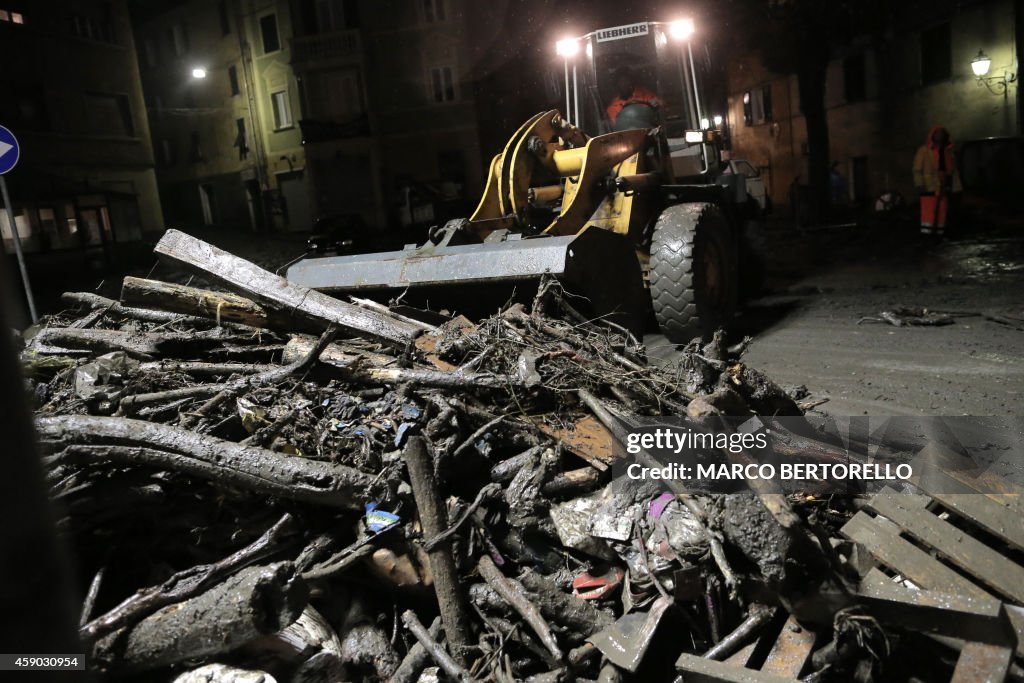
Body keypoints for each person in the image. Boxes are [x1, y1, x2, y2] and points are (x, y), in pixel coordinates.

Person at [913, 125, 962, 236]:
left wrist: (954, 186)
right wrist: (920, 184)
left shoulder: (948, 152)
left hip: (944, 186)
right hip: (929, 187)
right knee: (928, 212)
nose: (940, 136)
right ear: (933, 136)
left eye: (942, 134)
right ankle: (927, 235)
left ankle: (939, 234)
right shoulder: (924, 151)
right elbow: (917, 169)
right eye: (937, 133)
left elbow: (952, 170)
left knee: (942, 212)